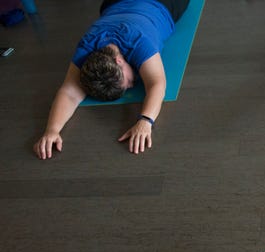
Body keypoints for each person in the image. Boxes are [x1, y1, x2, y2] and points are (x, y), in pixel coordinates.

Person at [33, 0, 189, 160]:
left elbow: (157, 83)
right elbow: (69, 93)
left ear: (119, 61)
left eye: (127, 81)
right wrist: (52, 130)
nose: (132, 84)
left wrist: (146, 120)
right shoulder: (86, 49)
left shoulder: (138, 41)